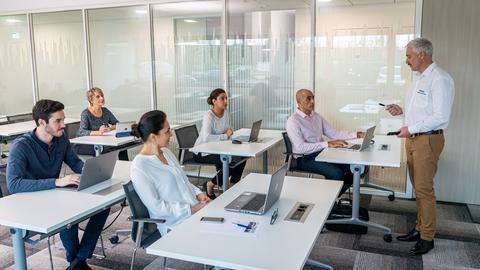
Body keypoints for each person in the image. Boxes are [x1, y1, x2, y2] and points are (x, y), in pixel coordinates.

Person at [6, 99, 110, 270]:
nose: (63, 125)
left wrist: (92, 172)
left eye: (63, 120)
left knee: (103, 205)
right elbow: (13, 184)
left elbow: (75, 162)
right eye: (58, 121)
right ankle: (77, 262)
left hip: (55, 194)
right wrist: (57, 182)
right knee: (68, 213)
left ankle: (77, 261)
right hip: (30, 202)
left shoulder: (60, 139)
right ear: (41, 122)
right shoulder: (22, 146)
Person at [386, 38, 454, 255]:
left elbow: (440, 116)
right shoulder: (417, 79)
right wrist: (401, 109)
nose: (407, 60)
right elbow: (419, 109)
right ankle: (419, 228)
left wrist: (411, 128)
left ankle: (427, 237)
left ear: (422, 55)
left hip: (427, 139)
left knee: (425, 189)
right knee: (418, 187)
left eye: (409, 56)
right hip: (414, 137)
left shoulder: (439, 79)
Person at [130, 110, 210, 235]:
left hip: (195, 212)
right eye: (167, 131)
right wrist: (191, 209)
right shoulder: (140, 166)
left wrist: (199, 194)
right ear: (153, 137)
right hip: (175, 224)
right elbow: (157, 208)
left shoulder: (167, 152)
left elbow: (183, 181)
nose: (171, 134)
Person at [286, 89, 365, 196]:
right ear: (298, 102)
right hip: (305, 158)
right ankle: (327, 200)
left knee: (358, 168)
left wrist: (356, 134)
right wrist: (327, 144)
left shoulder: (316, 116)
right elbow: (300, 148)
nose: (312, 101)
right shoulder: (293, 121)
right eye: (308, 99)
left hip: (322, 153)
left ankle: (330, 197)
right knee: (337, 174)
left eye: (313, 98)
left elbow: (334, 134)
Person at [193, 88, 247, 199]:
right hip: (202, 152)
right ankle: (211, 184)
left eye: (226, 98)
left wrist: (229, 133)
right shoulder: (208, 116)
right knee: (230, 160)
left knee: (241, 158)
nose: (225, 101)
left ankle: (231, 186)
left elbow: (227, 131)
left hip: (218, 149)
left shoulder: (226, 113)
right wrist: (225, 135)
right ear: (214, 101)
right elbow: (206, 137)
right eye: (222, 98)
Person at [76, 87, 129, 160]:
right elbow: (82, 132)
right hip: (86, 144)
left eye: (102, 96)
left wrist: (110, 128)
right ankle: (103, 169)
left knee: (122, 146)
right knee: (105, 148)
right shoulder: (85, 113)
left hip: (102, 140)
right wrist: (99, 132)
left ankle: (123, 168)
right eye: (98, 96)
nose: (101, 98)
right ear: (91, 100)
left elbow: (117, 124)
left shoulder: (105, 111)